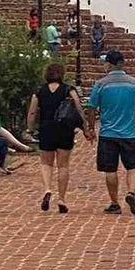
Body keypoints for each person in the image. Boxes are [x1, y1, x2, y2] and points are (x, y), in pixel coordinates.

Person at [86, 49, 135, 215]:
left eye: (105, 62)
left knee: (110, 170)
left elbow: (91, 108)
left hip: (107, 133)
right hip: (129, 134)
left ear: (110, 65)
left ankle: (114, 203)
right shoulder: (134, 83)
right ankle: (131, 192)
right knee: (133, 166)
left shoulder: (101, 84)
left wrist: (90, 127)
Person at [28, 61, 86, 213]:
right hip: (64, 129)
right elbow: (79, 109)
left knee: (46, 163)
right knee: (63, 165)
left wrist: (30, 128)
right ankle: (62, 198)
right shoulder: (69, 89)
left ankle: (47, 189)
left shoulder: (39, 90)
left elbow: (33, 111)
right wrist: (85, 127)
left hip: (46, 128)